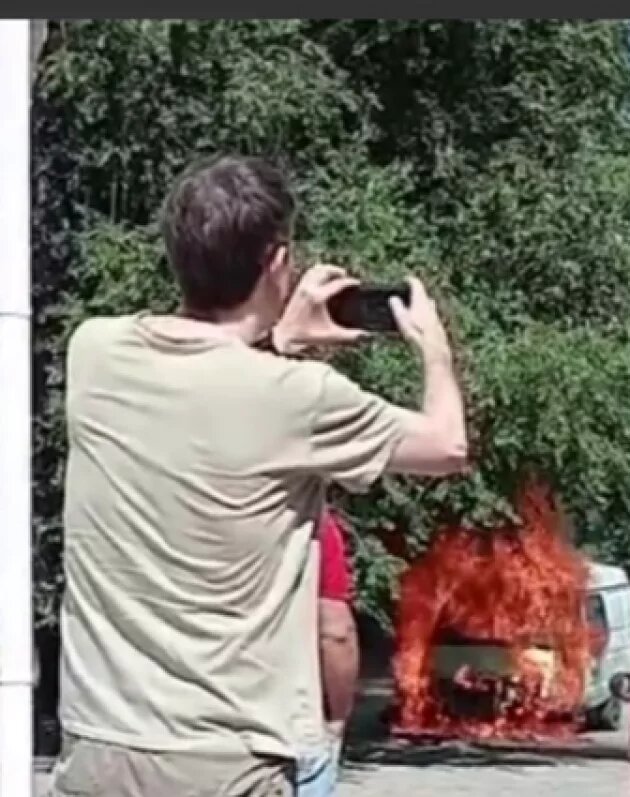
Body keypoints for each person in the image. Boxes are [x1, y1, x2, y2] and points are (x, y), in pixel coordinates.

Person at [48, 154, 467, 797]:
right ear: (276, 263)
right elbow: (447, 446)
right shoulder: (299, 396)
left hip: (100, 749)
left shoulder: (96, 352)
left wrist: (277, 341)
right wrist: (434, 348)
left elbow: (202, 389)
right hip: (225, 761)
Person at [296, 508, 360, 797]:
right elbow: (335, 633)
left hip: (162, 728)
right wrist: (337, 718)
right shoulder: (309, 523)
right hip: (285, 726)